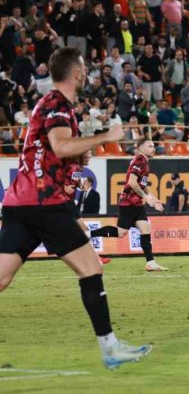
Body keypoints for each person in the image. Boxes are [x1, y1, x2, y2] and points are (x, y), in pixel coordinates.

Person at [0, 47, 152, 370]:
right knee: (91, 269)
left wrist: (75, 157)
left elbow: (52, 150)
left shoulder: (51, 104)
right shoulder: (57, 104)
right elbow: (59, 145)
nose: (87, 74)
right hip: (44, 203)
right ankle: (110, 348)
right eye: (85, 69)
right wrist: (102, 137)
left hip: (21, 201)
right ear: (78, 73)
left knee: (1, 278)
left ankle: (111, 348)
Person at [90, 138, 168, 271]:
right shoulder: (140, 160)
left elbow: (141, 185)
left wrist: (153, 199)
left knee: (145, 229)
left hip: (137, 203)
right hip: (129, 202)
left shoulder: (144, 162)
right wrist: (145, 197)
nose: (153, 148)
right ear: (140, 148)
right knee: (121, 232)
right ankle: (88, 235)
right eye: (149, 146)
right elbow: (132, 182)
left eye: (153, 146)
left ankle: (150, 262)